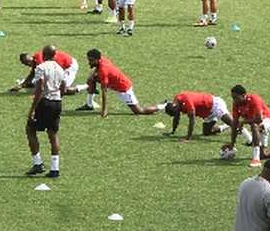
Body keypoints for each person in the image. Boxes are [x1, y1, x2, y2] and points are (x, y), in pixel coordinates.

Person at [222, 85, 270, 167]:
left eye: (236, 97)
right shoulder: (236, 104)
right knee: (263, 155)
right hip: (259, 126)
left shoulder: (254, 99)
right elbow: (234, 124)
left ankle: (256, 160)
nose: (234, 100)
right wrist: (232, 143)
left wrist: (243, 122)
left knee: (255, 126)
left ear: (244, 95)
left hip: (269, 121)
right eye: (233, 98)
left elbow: (259, 119)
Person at [76, 49, 159, 116]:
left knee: (138, 111)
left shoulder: (103, 70)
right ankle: (89, 104)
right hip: (115, 84)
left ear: (97, 60)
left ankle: (163, 106)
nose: (89, 62)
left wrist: (104, 110)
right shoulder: (101, 60)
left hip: (123, 88)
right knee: (91, 79)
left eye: (91, 60)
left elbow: (104, 92)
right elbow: (96, 70)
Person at [25, 45, 66, 178]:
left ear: (43, 55)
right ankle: (55, 168)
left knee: (30, 129)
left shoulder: (41, 68)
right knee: (53, 134)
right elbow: (64, 88)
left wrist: (32, 109)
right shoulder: (60, 68)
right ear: (54, 55)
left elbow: (40, 88)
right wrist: (57, 97)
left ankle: (38, 163)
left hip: (45, 102)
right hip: (57, 102)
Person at [160, 91, 236, 141]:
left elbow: (192, 121)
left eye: (177, 112)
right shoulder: (176, 102)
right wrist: (172, 131)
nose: (178, 114)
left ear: (176, 107)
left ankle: (240, 129)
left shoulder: (187, 101)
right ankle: (226, 126)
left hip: (215, 105)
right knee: (207, 132)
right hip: (207, 113)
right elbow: (176, 117)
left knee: (233, 124)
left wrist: (188, 138)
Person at [9, 47, 79, 94]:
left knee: (62, 89)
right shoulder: (35, 59)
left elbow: (47, 75)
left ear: (31, 57)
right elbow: (33, 73)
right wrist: (21, 86)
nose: (29, 64)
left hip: (70, 66)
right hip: (62, 66)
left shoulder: (40, 61)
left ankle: (80, 87)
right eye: (27, 64)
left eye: (29, 62)